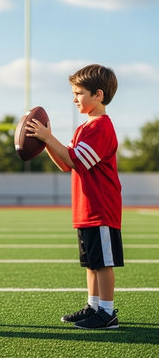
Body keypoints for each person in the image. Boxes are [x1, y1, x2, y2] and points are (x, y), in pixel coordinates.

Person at [26, 64, 123, 330]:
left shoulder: (101, 127)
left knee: (102, 264)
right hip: (86, 209)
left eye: (79, 93)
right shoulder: (84, 128)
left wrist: (49, 136)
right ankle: (94, 306)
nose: (74, 98)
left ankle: (107, 312)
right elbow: (65, 164)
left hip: (101, 207)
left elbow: (75, 159)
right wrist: (45, 142)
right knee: (91, 263)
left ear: (99, 95)